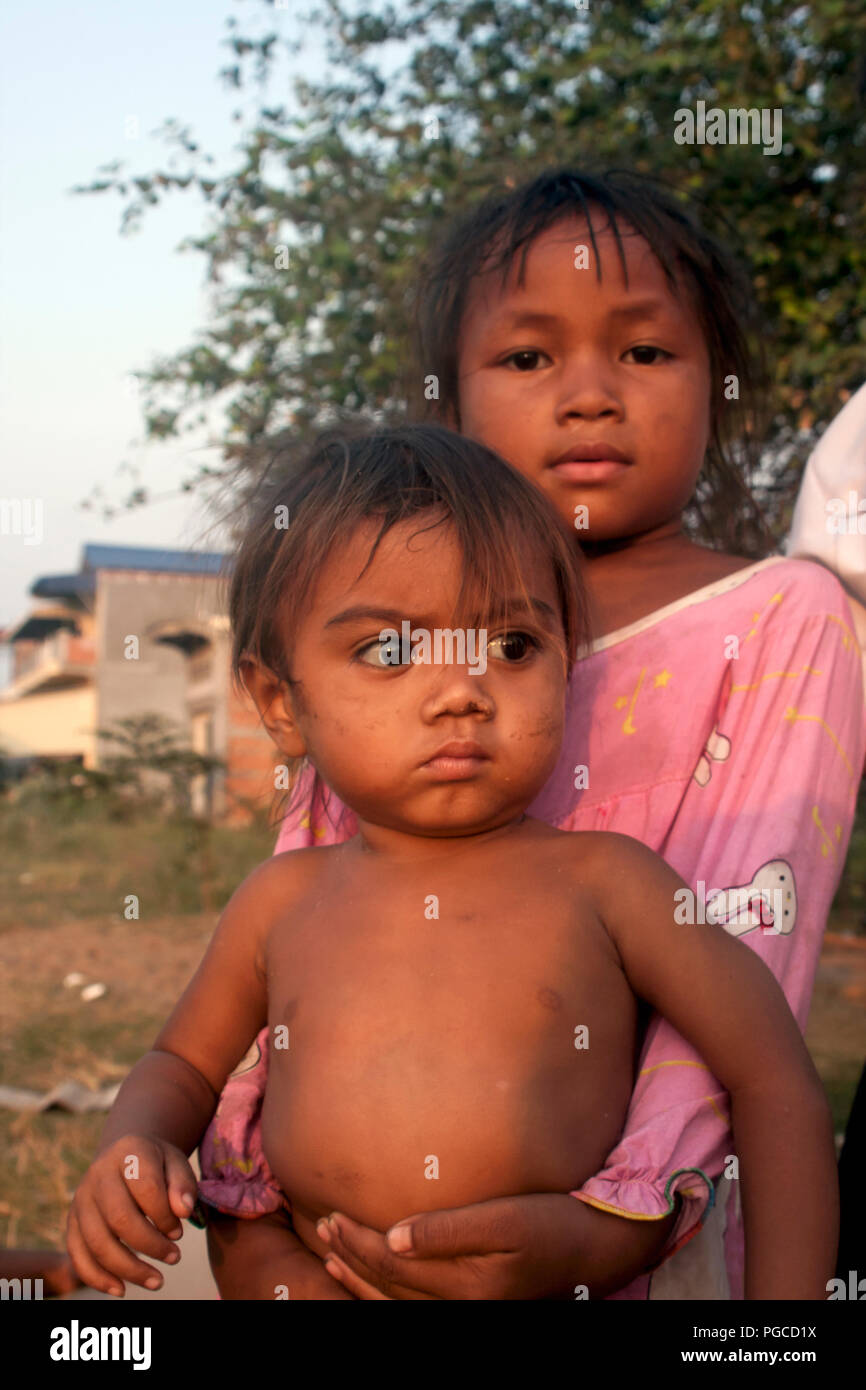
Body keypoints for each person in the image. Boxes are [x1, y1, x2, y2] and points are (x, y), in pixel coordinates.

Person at [195, 169, 866, 1302]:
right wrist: (252, 1235)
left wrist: (615, 1224)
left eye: (644, 353)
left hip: (648, 1251)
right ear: (448, 403)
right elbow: (293, 967)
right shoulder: (370, 617)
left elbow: (749, 950)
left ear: (718, 386)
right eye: (526, 357)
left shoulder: (782, 618)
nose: (589, 395)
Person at [65, 424, 839, 1302]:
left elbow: (774, 1079)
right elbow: (184, 1069)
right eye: (389, 650)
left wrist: (775, 1334)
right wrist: (134, 1142)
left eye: (511, 646)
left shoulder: (611, 885)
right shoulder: (281, 901)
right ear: (282, 704)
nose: (462, 690)